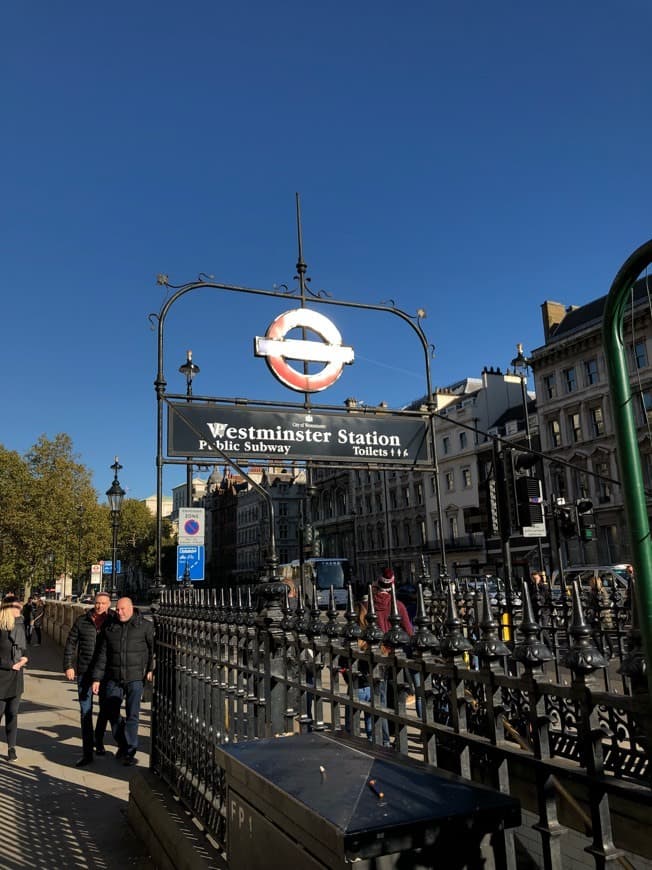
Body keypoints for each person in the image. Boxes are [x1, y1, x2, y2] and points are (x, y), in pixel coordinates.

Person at [92, 597, 154, 767]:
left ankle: (129, 751)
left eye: (122, 609)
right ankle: (123, 742)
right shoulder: (110, 627)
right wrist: (97, 678)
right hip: (114, 676)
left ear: (131, 608)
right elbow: (102, 654)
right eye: (117, 609)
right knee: (111, 711)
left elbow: (152, 650)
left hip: (135, 678)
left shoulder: (145, 626)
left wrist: (150, 669)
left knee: (132, 714)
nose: (119, 612)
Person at [63, 591, 114, 767]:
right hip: (85, 672)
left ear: (109, 604)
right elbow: (70, 643)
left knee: (105, 710)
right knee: (85, 712)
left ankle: (98, 741)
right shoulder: (82, 620)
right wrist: (68, 666)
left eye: (103, 603)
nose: (100, 606)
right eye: (97, 603)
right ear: (93, 603)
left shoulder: (113, 621)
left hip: (106, 673)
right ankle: (87, 753)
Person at [0, 596, 29, 761]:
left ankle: (12, 748)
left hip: (17, 677)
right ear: (7, 609)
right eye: (16, 607)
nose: (20, 610)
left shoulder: (19, 625)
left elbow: (25, 650)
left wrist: (24, 659)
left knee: (13, 713)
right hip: (2, 676)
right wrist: (10, 664)